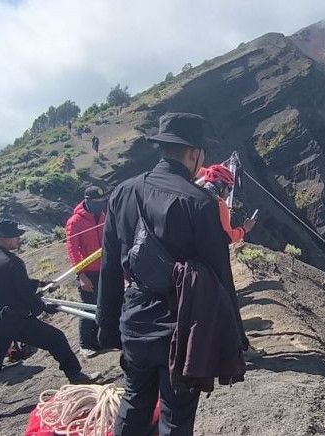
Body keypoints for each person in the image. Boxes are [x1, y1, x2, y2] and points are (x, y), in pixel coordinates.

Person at [97, 112, 248, 435]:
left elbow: (110, 267)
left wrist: (108, 328)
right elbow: (220, 276)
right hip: (180, 327)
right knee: (176, 417)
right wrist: (236, 335)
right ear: (194, 153)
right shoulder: (200, 202)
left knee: (134, 404)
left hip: (134, 319)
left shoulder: (123, 192)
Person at [0, 218, 98, 424]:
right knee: (56, 338)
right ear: (4, 238)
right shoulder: (13, 262)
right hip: (12, 319)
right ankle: (76, 376)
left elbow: (10, 284)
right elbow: (26, 296)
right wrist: (45, 307)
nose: (19, 239)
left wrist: (40, 284)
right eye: (15, 236)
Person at [66, 185, 107, 358]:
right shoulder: (75, 222)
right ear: (87, 201)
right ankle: (85, 344)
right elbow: (72, 250)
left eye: (102, 201)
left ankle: (98, 341)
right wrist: (81, 275)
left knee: (104, 304)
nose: (100, 204)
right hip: (88, 272)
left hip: (105, 268)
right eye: (96, 202)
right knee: (88, 308)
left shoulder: (104, 215)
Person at [201, 164, 255, 244]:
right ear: (220, 185)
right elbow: (229, 237)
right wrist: (245, 229)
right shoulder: (219, 204)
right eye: (229, 188)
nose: (229, 193)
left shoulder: (190, 192)